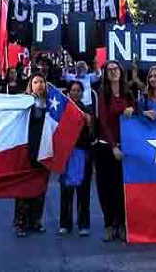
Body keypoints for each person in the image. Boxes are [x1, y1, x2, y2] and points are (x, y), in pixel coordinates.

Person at [95, 60, 134, 242]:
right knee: (106, 188)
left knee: (122, 189)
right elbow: (103, 121)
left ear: (120, 71)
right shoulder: (103, 94)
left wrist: (133, 108)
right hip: (106, 147)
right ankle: (109, 224)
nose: (113, 72)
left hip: (126, 147)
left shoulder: (128, 92)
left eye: (115, 69)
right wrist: (113, 146)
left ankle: (122, 224)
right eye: (109, 70)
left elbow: (138, 113)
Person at [14, 73, 50, 237]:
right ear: (31, 84)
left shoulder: (51, 103)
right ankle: (21, 222)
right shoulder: (24, 101)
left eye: (42, 81)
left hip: (45, 150)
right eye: (36, 82)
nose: (39, 85)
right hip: (27, 148)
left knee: (40, 186)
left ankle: (36, 220)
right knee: (24, 187)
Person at [58, 81, 94, 237]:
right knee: (66, 191)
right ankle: (65, 224)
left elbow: (93, 136)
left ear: (82, 93)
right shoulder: (61, 110)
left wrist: (89, 122)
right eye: (73, 90)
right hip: (66, 154)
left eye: (79, 90)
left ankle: (83, 224)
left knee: (83, 191)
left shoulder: (88, 111)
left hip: (82, 153)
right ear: (69, 92)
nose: (76, 93)